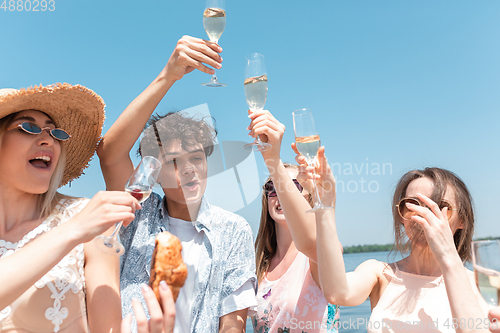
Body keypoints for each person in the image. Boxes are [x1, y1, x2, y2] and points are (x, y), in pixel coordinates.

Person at [97, 35, 257, 333]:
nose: (188, 170)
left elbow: (233, 324)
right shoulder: (136, 214)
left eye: (196, 158)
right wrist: (168, 75)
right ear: (153, 174)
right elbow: (109, 153)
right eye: (173, 162)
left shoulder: (234, 230)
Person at [292, 145, 490, 333]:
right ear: (400, 216)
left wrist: (448, 257)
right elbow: (336, 292)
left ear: (462, 219)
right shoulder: (381, 274)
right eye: (411, 205)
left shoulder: (484, 285)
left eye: (439, 207)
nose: (421, 215)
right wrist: (325, 205)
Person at [0, 83, 141, 333]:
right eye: (28, 127)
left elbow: (108, 329)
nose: (47, 140)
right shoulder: (81, 223)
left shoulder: (89, 218)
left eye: (56, 133)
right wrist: (72, 231)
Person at [248, 110, 340, 333]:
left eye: (292, 188)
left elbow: (314, 241)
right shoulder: (257, 267)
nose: (279, 195)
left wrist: (273, 162)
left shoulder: (316, 256)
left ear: (308, 197)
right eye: (273, 188)